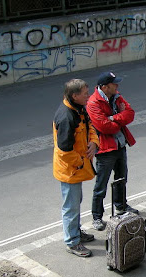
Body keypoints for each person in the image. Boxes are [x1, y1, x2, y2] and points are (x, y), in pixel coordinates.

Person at [87, 72, 138, 232]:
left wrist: (112, 117)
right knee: (101, 185)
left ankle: (121, 207)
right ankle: (97, 216)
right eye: (114, 84)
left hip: (120, 144)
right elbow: (104, 127)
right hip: (105, 149)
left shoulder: (116, 95)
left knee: (122, 178)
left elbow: (130, 114)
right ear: (104, 87)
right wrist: (117, 117)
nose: (117, 86)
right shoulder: (93, 103)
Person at [53, 79, 99, 258]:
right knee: (71, 207)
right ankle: (72, 242)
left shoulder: (78, 109)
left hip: (75, 169)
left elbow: (90, 128)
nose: (88, 96)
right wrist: (80, 161)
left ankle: (75, 233)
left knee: (75, 202)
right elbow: (64, 151)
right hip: (70, 170)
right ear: (74, 96)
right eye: (85, 93)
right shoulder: (66, 117)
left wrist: (94, 142)